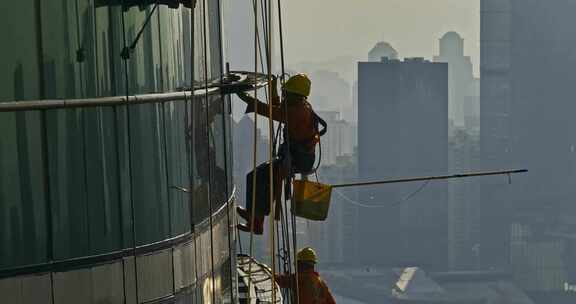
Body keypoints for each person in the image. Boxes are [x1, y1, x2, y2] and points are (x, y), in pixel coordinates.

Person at [235, 74, 326, 234]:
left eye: (286, 93)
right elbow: (278, 109)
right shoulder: (301, 106)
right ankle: (255, 218)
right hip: (299, 157)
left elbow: (271, 111)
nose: (284, 96)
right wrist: (273, 88)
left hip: (297, 159)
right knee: (263, 178)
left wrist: (246, 98)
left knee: (256, 176)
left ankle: (255, 219)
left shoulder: (298, 111)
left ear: (294, 95)